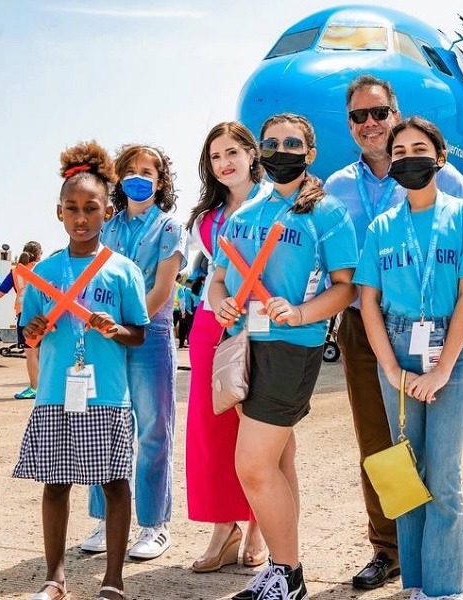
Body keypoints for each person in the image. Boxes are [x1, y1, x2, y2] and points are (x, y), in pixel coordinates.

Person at [322, 74, 463, 590]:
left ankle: (436, 576)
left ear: (395, 114)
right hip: (367, 324)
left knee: (439, 466)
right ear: (351, 125)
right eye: (359, 116)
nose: (370, 124)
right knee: (381, 447)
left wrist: (461, 303)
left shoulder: (441, 181)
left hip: (438, 324)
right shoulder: (337, 186)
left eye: (379, 113)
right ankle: (389, 551)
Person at [211, 113, 358, 600]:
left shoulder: (328, 213)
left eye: (292, 143)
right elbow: (215, 281)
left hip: (292, 349)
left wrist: (297, 313)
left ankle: (287, 574)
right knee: (278, 460)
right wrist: (221, 303)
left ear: (310, 153)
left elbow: (344, 289)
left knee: (252, 466)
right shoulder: (243, 215)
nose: (280, 150)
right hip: (244, 346)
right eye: (271, 142)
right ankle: (284, 566)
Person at [13, 141, 149, 600]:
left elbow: (140, 334)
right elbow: (27, 335)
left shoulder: (123, 271)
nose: (81, 217)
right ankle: (55, 577)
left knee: (114, 484)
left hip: (108, 396)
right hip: (55, 393)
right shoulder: (43, 274)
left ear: (108, 212)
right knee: (55, 484)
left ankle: (113, 578)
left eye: (91, 208)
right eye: (71, 208)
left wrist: (116, 330)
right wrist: (31, 329)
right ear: (58, 213)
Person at [80, 143, 187, 559]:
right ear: (118, 178)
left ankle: (154, 524)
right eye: (131, 169)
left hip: (149, 334)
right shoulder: (105, 224)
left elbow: (163, 287)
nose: (139, 176)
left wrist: (129, 323)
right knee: (103, 426)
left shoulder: (170, 228)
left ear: (160, 183)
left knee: (153, 430)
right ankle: (106, 518)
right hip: (104, 337)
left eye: (149, 171)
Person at [183, 121, 272, 573]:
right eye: (216, 156)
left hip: (264, 324)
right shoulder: (205, 219)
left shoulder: (277, 201)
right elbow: (213, 277)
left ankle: (257, 523)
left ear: (252, 155)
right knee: (210, 428)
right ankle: (223, 525)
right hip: (211, 324)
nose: (225, 163)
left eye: (233, 152)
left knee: (257, 428)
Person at [0, 240, 43, 398]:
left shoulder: (15, 272)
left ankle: (34, 388)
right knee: (44, 353)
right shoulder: (42, 268)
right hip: (44, 316)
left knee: (31, 354)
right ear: (39, 255)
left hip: (24, 316)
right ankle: (46, 388)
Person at [176, 278, 195, 349]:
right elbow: (194, 298)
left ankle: (181, 343)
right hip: (188, 311)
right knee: (189, 327)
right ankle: (189, 342)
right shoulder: (188, 290)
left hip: (180, 310)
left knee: (182, 327)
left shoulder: (180, 288)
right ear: (189, 283)